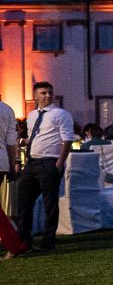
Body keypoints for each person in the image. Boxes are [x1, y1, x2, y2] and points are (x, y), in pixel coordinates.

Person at [11, 82, 74, 254]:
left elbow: (67, 139)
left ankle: (48, 240)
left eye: (50, 93)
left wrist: (59, 163)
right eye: (43, 93)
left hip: (49, 162)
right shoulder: (31, 115)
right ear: (35, 96)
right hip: (32, 163)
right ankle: (24, 239)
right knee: (24, 201)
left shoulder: (60, 114)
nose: (47, 96)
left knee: (50, 203)